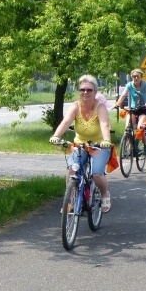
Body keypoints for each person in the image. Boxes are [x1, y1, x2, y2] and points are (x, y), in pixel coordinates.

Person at [49, 75, 113, 212]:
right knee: (72, 169)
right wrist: (56, 136)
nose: (85, 92)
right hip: (80, 145)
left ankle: (104, 195)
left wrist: (107, 140)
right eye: (82, 89)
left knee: (96, 174)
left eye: (89, 90)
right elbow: (66, 122)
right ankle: (70, 199)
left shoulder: (100, 107)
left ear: (95, 92)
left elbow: (104, 124)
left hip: (99, 145)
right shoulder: (76, 106)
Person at [115, 68, 146, 149]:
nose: (136, 78)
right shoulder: (129, 85)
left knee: (140, 128)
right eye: (134, 76)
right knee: (128, 128)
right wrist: (118, 104)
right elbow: (123, 96)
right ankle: (128, 144)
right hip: (133, 109)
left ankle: (145, 146)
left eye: (138, 76)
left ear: (141, 77)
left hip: (143, 109)